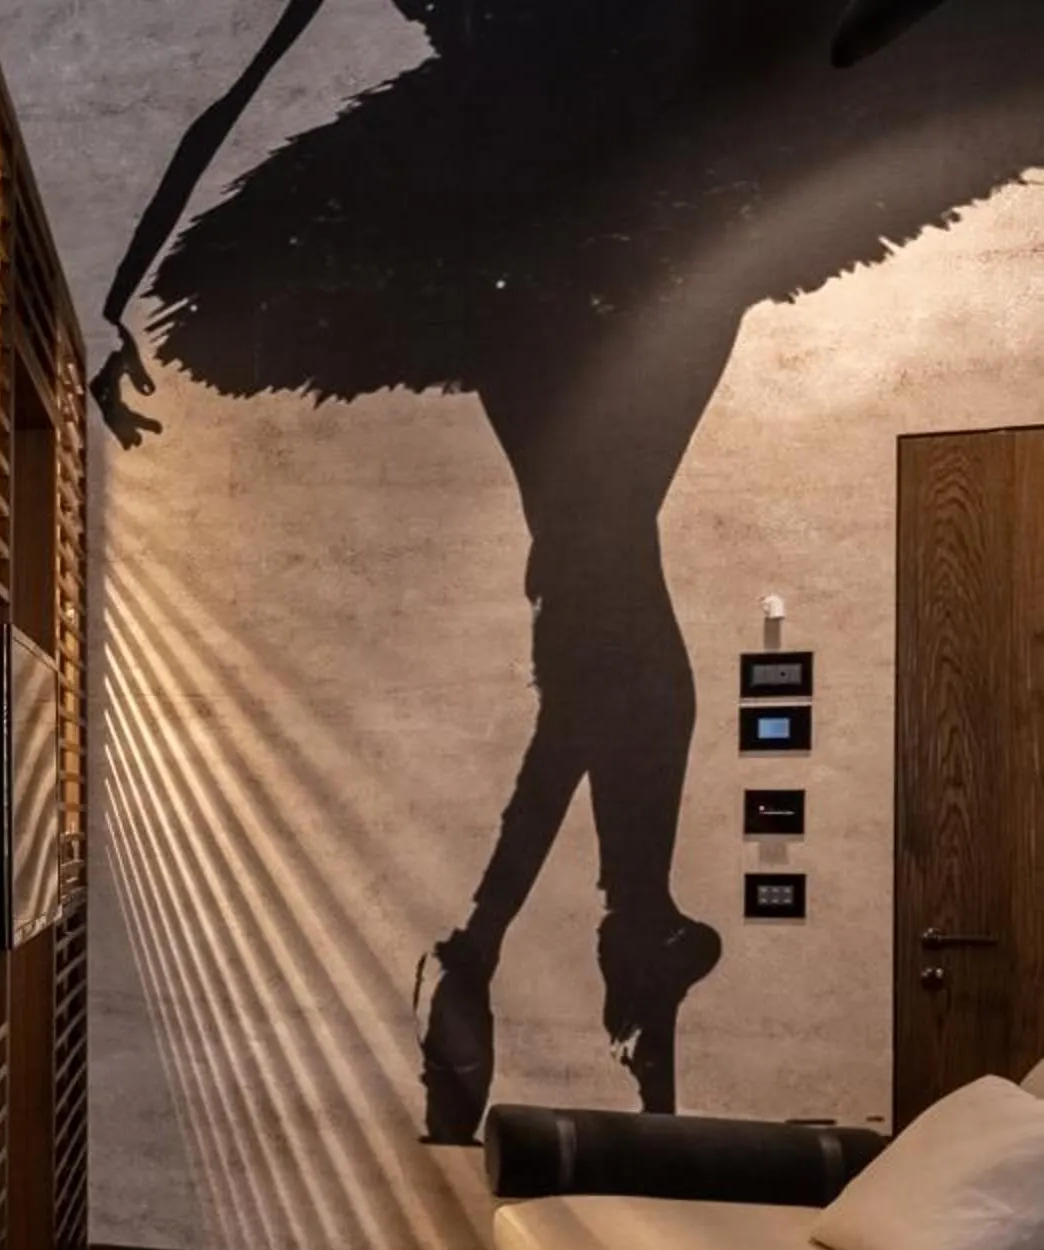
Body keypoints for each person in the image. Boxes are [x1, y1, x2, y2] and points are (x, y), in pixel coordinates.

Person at [95, 0, 1044, 1142]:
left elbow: (249, 74)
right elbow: (249, 74)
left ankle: (523, 941)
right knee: (602, 560)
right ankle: (609, 933)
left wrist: (117, 303)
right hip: (649, 199)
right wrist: (104, 305)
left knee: (595, 565)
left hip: (518, 211)